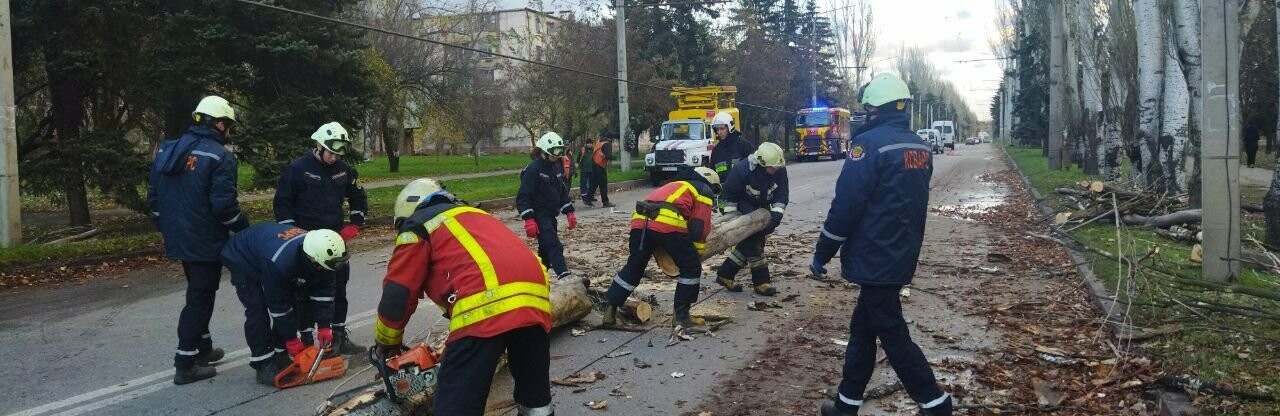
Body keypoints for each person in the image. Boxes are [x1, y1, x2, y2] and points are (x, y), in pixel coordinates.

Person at [811, 73, 952, 416]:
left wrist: (822, 252)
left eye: (868, 107)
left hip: (875, 255)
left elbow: (847, 205)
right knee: (862, 330)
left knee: (892, 333)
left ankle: (935, 402)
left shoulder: (869, 147)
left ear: (878, 109)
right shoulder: (919, 146)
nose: (865, 113)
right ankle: (847, 404)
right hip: (900, 253)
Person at [375, 178, 554, 416]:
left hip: (485, 307)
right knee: (535, 399)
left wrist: (387, 342)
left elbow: (398, 294)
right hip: (535, 301)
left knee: (456, 406)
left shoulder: (418, 226)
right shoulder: (476, 215)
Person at [148, 95, 251, 385]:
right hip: (205, 237)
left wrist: (166, 225)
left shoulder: (168, 149)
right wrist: (244, 230)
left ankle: (203, 348)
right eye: (228, 125)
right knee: (200, 297)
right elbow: (224, 207)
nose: (228, 131)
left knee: (198, 287)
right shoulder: (220, 156)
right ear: (219, 124)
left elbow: (153, 197)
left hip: (178, 234)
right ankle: (185, 363)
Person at [274, 121, 368, 355]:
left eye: (338, 154)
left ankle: (337, 336)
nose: (334, 158)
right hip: (304, 241)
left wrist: (355, 223)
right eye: (331, 153)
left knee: (338, 288)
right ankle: (305, 337)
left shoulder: (344, 170)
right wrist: (292, 235)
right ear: (318, 146)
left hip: (334, 240)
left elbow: (358, 198)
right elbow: (282, 203)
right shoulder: (298, 169)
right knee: (303, 292)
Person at [220, 224, 347, 386]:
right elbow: (279, 307)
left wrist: (324, 326)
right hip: (241, 255)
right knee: (257, 309)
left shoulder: (326, 259)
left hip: (267, 249)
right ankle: (263, 362)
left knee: (293, 301)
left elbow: (323, 295)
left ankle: (280, 354)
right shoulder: (280, 264)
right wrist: (292, 339)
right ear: (312, 259)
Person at [602, 167, 721, 328]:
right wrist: (696, 254)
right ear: (711, 183)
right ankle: (681, 315)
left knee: (635, 265)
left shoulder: (676, 185)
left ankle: (610, 311)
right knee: (691, 268)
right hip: (666, 220)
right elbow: (699, 226)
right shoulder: (703, 189)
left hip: (639, 219)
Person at [714, 142, 789, 297]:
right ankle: (761, 283)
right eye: (772, 167)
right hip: (740, 207)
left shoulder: (778, 169)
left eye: (778, 167)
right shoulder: (742, 171)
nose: (776, 170)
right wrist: (735, 223)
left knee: (750, 242)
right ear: (761, 164)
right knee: (755, 242)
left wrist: (775, 216)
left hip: (760, 209)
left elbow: (782, 194)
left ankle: (725, 274)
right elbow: (728, 197)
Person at [517, 132, 577, 280]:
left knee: (545, 251)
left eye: (560, 152)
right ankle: (564, 275)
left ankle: (537, 277)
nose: (558, 156)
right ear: (545, 151)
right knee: (553, 245)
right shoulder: (532, 170)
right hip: (539, 215)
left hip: (550, 216)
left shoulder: (556, 168)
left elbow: (561, 192)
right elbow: (523, 196)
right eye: (555, 152)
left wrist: (569, 212)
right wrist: (529, 220)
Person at [707, 111, 757, 177]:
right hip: (723, 187)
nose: (719, 132)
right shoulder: (716, 151)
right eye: (717, 129)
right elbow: (713, 174)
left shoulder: (745, 146)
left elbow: (754, 170)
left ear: (730, 127)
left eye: (722, 129)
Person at [583, 132, 615, 208]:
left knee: (594, 183)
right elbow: (608, 156)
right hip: (600, 166)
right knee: (603, 184)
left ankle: (587, 199)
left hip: (594, 163)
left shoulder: (600, 142)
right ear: (611, 139)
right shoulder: (607, 144)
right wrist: (614, 157)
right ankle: (605, 202)